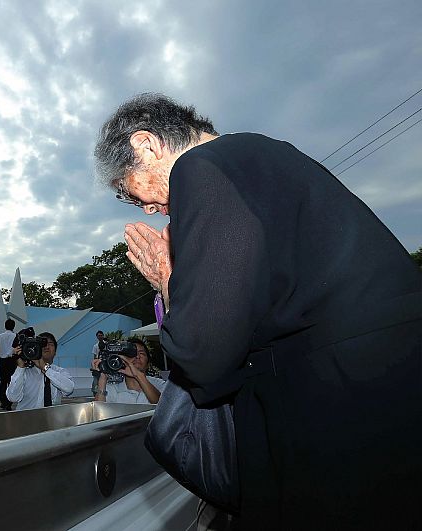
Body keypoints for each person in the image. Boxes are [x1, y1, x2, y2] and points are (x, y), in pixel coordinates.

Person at [94, 93, 422, 529]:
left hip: (331, 412)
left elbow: (204, 352)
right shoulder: (267, 154)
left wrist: (168, 282)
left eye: (131, 192)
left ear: (146, 144)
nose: (149, 208)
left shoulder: (200, 167)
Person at [5, 332, 74, 411]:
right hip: (26, 418)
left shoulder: (60, 372)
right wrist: (20, 367)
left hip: (52, 417)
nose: (46, 347)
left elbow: (69, 389)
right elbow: (13, 398)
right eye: (42, 344)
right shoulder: (24, 372)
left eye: (50, 344)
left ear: (55, 352)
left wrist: (45, 368)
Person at [92, 338, 165, 404]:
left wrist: (138, 376)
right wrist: (102, 379)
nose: (137, 356)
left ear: (148, 364)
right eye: (132, 353)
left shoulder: (159, 384)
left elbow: (162, 404)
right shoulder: (113, 388)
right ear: (122, 360)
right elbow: (98, 410)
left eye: (141, 353)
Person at [0, 318, 17, 411]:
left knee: (3, 382)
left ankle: (3, 402)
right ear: (13, 326)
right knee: (11, 382)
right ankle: (9, 402)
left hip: (2, 361)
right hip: (12, 360)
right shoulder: (15, 336)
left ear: (5, 326)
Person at [89, 330, 105, 395]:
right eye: (99, 336)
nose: (100, 337)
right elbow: (95, 356)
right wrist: (95, 365)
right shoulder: (95, 346)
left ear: (103, 336)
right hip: (98, 364)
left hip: (105, 363)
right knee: (96, 378)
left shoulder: (106, 344)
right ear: (97, 337)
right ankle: (95, 391)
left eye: (101, 335)